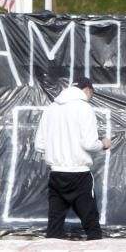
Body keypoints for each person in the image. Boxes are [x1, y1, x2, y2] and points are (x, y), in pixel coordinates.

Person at [34, 77, 111, 240]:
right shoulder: (84, 108)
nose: (92, 97)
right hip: (79, 175)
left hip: (56, 174)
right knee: (92, 226)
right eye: (92, 93)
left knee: (54, 227)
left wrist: (58, 150)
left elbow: (39, 145)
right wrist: (103, 144)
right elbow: (89, 144)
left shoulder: (50, 109)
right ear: (88, 89)